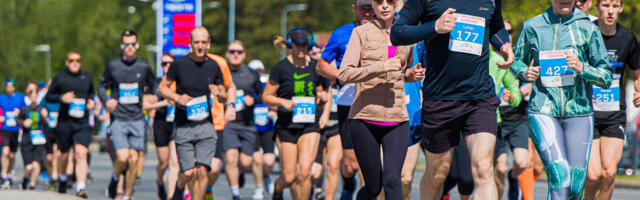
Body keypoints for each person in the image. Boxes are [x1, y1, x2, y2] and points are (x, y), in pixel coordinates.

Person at [391, 0, 514, 199]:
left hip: (480, 97)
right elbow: (397, 33)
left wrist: (504, 45)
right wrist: (434, 27)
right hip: (440, 98)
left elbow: (496, 27)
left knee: (483, 168)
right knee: (438, 173)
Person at [510, 0, 613, 198]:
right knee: (560, 178)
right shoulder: (532, 26)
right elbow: (516, 60)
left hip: (580, 113)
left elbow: (606, 76)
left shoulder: (589, 29)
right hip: (543, 110)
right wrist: (524, 72)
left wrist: (582, 68)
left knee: (574, 188)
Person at [339, 0, 426, 198]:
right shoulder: (361, 33)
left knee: (393, 180)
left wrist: (411, 76)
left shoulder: (406, 34)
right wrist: (381, 67)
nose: (385, 5)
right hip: (364, 118)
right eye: (379, 2)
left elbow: (404, 71)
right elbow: (344, 74)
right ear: (374, 5)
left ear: (398, 4)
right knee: (373, 186)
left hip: (397, 117)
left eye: (390, 1)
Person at [158, 26, 226, 200]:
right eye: (197, 42)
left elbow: (223, 94)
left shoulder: (214, 66)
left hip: (205, 125)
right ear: (190, 44)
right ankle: (179, 188)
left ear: (209, 44)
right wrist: (177, 97)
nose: (200, 46)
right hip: (184, 125)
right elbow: (162, 88)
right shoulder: (179, 64)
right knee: (188, 173)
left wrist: (220, 94)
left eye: (204, 42)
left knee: (202, 171)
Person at [264, 27, 331, 200]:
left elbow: (323, 90)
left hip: (310, 124)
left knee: (304, 171)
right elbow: (267, 97)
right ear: (289, 45)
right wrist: (282, 102)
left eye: (305, 45)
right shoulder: (280, 68)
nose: (302, 48)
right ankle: (278, 190)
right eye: (298, 45)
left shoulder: (316, 66)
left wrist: (322, 96)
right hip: (287, 126)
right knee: (289, 176)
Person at [315, 1, 374, 198]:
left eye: (370, 7)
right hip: (348, 104)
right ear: (354, 8)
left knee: (371, 162)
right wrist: (342, 74)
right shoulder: (341, 33)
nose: (367, 12)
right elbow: (321, 65)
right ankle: (349, 184)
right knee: (351, 165)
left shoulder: (387, 30)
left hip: (376, 103)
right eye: (363, 7)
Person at [586, 0, 640, 199]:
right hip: (587, 113)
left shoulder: (627, 38)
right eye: (606, 5)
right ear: (597, 7)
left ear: (621, 9)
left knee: (608, 173)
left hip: (614, 114)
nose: (610, 11)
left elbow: (637, 75)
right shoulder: (586, 33)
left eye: (615, 6)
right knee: (592, 175)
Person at [101, 29, 157, 200]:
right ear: (122, 46)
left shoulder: (144, 67)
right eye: (127, 44)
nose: (130, 47)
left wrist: (153, 95)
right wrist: (106, 100)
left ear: (137, 45)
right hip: (119, 118)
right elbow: (102, 86)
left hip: (138, 118)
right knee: (123, 157)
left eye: (133, 44)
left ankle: (126, 196)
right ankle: (114, 179)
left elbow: (153, 84)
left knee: (134, 160)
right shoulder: (113, 66)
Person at [46, 52, 95, 198]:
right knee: (65, 155)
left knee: (81, 153)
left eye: (78, 60)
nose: (75, 63)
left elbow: (91, 94)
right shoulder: (60, 78)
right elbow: (49, 96)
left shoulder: (86, 77)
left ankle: (81, 188)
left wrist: (92, 103)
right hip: (65, 122)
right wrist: (62, 97)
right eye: (72, 60)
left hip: (82, 122)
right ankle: (62, 179)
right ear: (67, 62)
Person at [223, 40, 264, 200]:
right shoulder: (222, 71)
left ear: (244, 55)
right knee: (231, 158)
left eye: (238, 52)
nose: (235, 55)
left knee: (246, 162)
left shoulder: (252, 73)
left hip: (247, 123)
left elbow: (262, 95)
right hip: (229, 123)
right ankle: (235, 194)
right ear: (227, 54)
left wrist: (253, 99)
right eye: (232, 51)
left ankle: (240, 172)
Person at [492, 19, 528, 200]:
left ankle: (513, 179)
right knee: (500, 168)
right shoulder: (491, 58)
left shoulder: (519, 57)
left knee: (522, 163)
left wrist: (527, 88)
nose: (507, 35)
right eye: (502, 31)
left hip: (518, 118)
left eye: (510, 31)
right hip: (498, 119)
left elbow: (534, 78)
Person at [145, 53, 180, 200]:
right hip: (161, 123)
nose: (167, 66)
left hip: (177, 123)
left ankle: (171, 196)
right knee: (164, 163)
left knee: (174, 162)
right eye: (164, 64)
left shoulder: (180, 82)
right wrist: (165, 102)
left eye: (170, 63)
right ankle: (160, 182)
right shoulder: (156, 83)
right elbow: (146, 105)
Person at [248, 59, 278, 197]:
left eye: (259, 70)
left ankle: (266, 175)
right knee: (257, 159)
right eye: (254, 71)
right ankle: (259, 188)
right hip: (252, 128)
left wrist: (274, 111)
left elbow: (276, 101)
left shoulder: (268, 84)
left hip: (267, 127)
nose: (257, 74)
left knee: (269, 160)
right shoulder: (246, 85)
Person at [18, 89, 48, 190]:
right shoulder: (25, 109)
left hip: (38, 139)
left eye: (36, 96)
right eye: (33, 96)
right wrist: (23, 123)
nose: (34, 98)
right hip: (27, 139)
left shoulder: (42, 110)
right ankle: (25, 179)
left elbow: (47, 125)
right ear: (29, 98)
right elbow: (17, 120)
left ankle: (32, 185)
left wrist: (46, 117)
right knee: (29, 167)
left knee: (36, 164)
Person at [0, 78, 26, 189]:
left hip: (16, 129)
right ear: (5, 87)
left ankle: (9, 174)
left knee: (11, 155)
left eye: (11, 86)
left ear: (14, 87)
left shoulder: (20, 97)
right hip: (5, 128)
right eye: (7, 86)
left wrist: (20, 112)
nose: (9, 88)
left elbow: (26, 111)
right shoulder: (1, 98)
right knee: (5, 152)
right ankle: (3, 175)